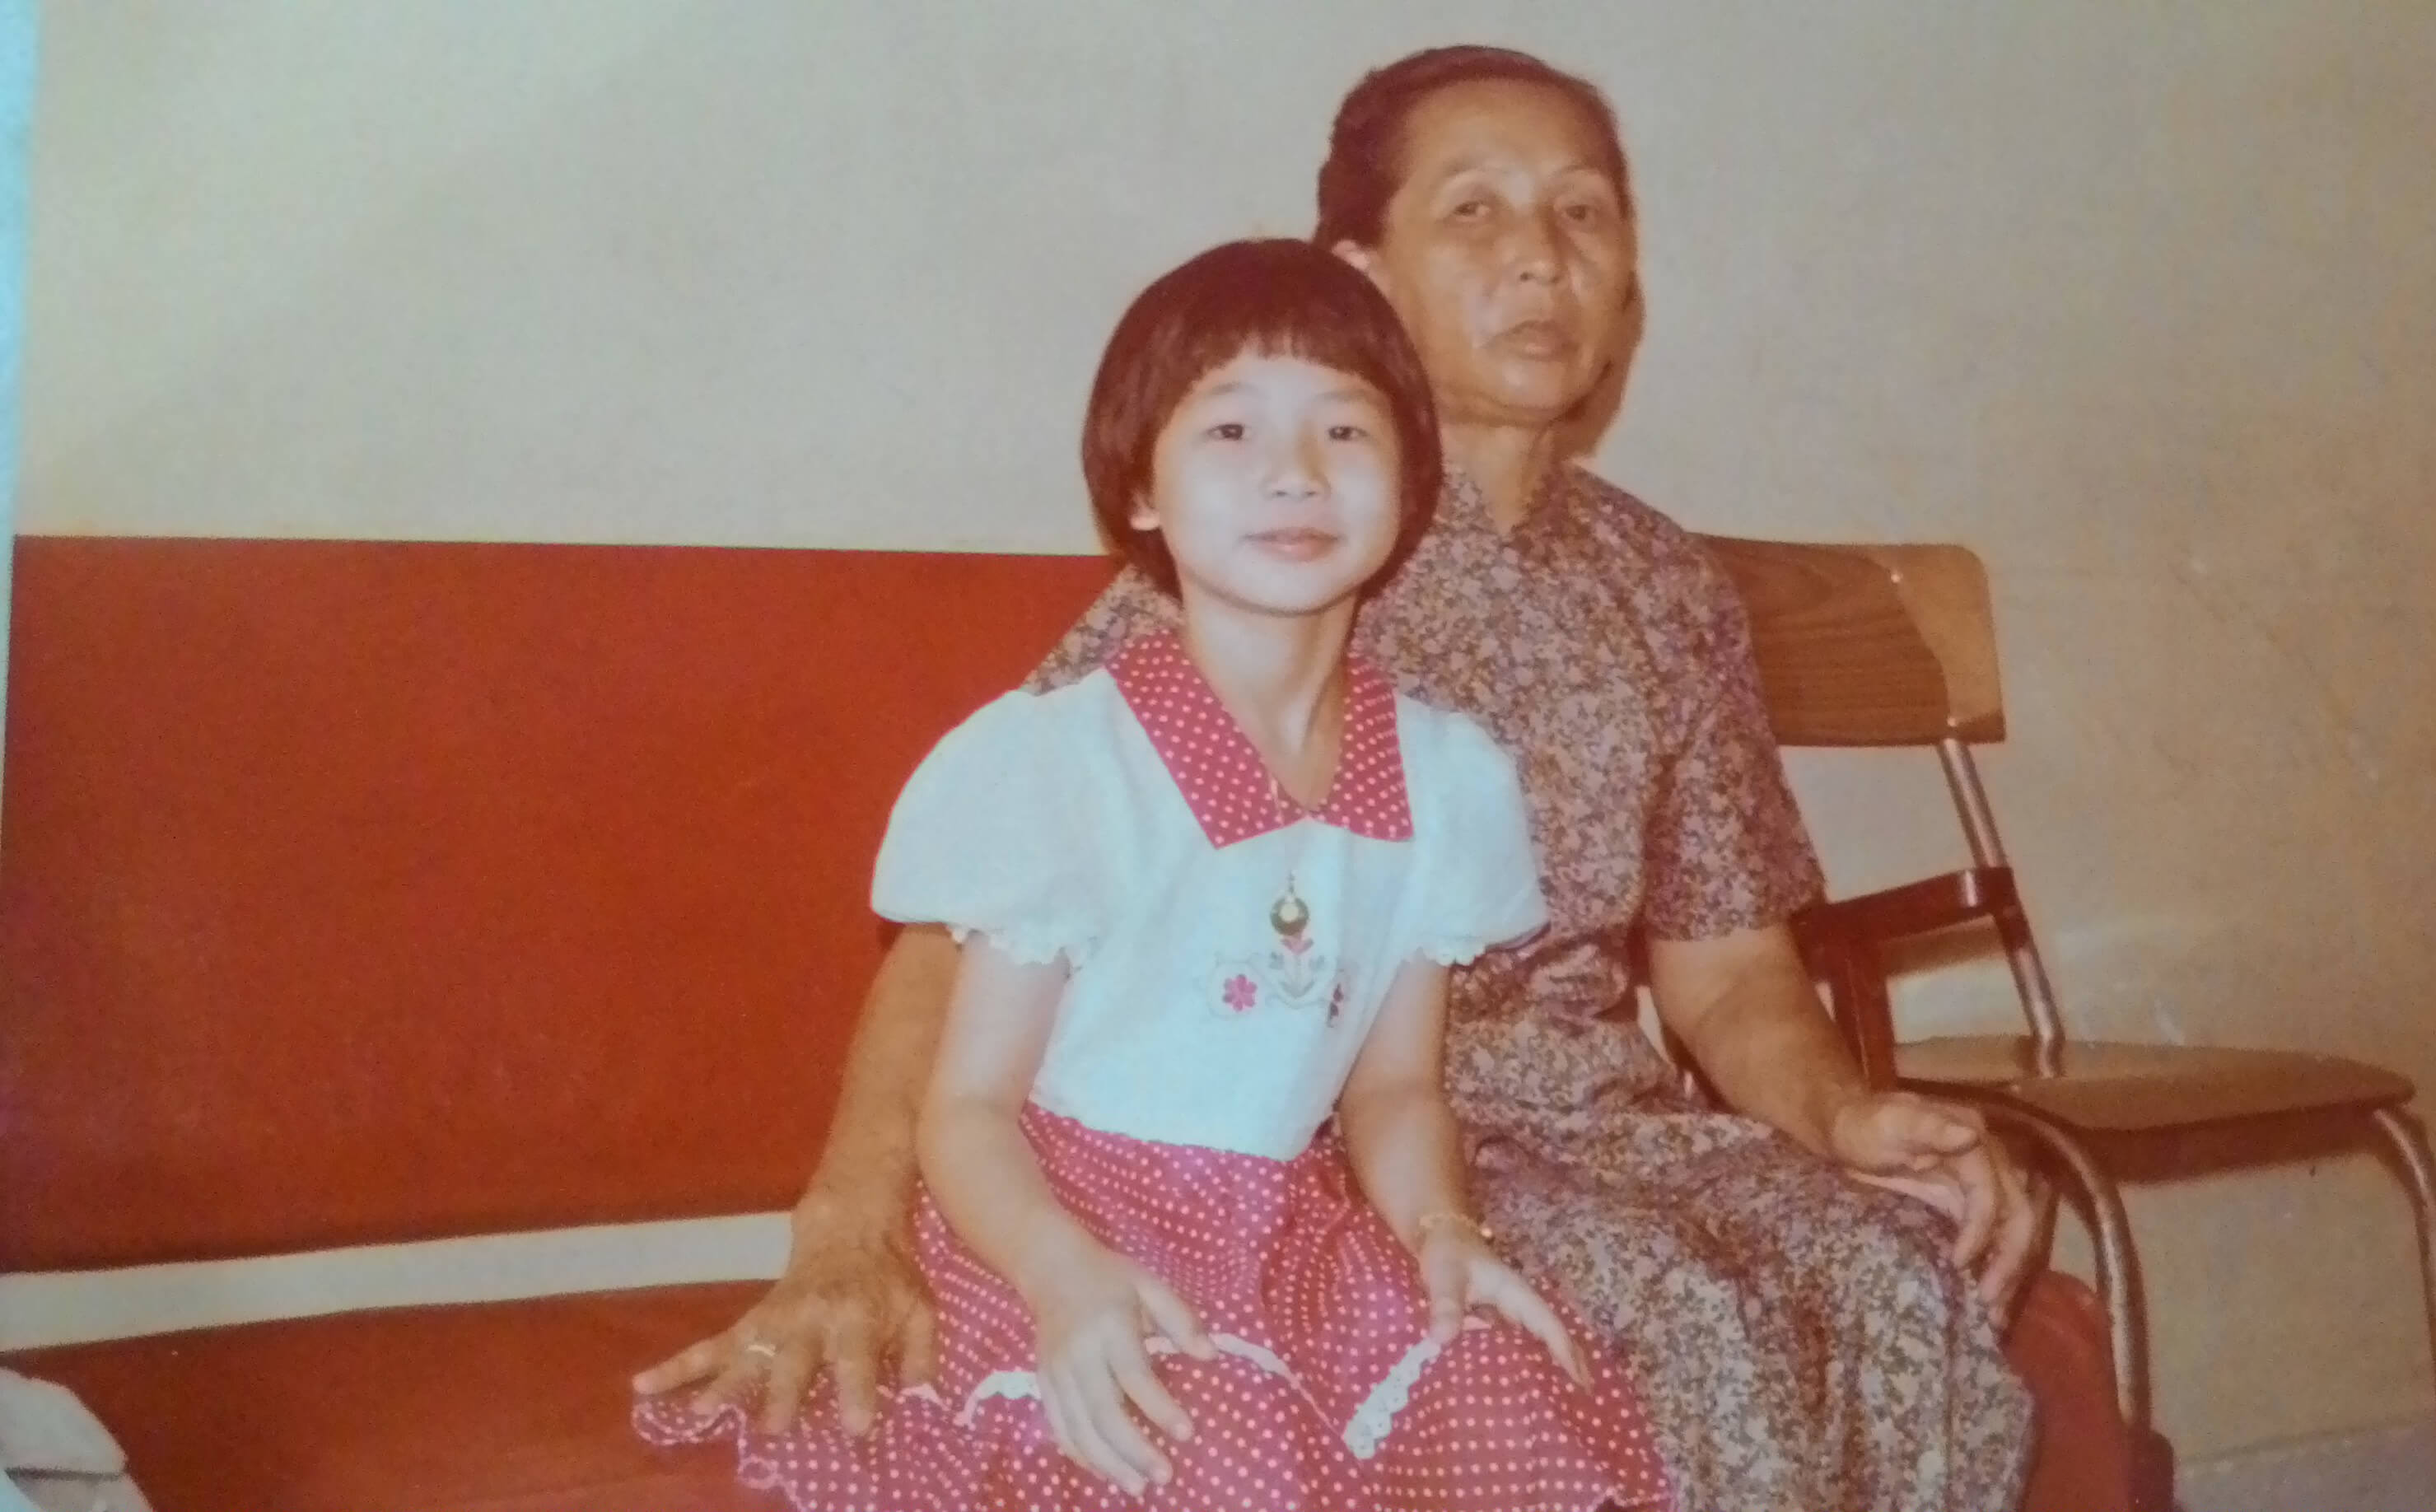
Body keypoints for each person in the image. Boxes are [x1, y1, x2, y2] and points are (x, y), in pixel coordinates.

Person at [638, 44, 2043, 1512]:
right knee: (1667, 1317)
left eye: (1583, 215)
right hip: (1312, 1142)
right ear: (1360, 272)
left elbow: (1733, 972)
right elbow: (983, 932)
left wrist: (1843, 1117)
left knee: (1886, 1265)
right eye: (1476, 215)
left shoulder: (1660, 584)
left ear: (1631, 277)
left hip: (1590, 1127)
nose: (1543, 263)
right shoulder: (1261, 550)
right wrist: (849, 1226)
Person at [637, 237, 1674, 1512]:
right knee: (1222, 1451)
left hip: (1290, 1227)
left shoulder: (1448, 778)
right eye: (1230, 431)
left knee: (1518, 1401)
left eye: (1346, 432)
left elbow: (1395, 1090)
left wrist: (1445, 1233)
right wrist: (1064, 1275)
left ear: (1411, 488)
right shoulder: (1062, 763)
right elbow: (965, 1113)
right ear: (1141, 490)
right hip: (1058, 1225)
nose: (1294, 473)